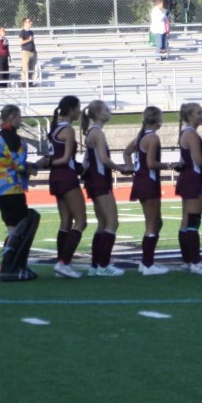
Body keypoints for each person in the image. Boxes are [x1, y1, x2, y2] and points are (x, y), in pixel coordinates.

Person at [0, 104, 50, 282]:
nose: (21, 120)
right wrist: (38, 164)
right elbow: (18, 165)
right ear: (13, 118)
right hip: (10, 189)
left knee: (12, 229)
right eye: (19, 117)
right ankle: (12, 268)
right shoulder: (12, 138)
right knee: (22, 227)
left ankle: (8, 266)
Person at [81, 99, 130, 276]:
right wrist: (121, 168)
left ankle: (95, 265)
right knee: (112, 222)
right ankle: (103, 265)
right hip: (100, 181)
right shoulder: (97, 133)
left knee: (102, 223)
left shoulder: (93, 132)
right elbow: (103, 159)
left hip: (95, 181)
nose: (109, 112)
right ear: (98, 113)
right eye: (106, 109)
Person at [123, 106, 170, 276]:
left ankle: (146, 262)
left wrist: (130, 166)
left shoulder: (141, 135)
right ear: (158, 120)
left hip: (142, 181)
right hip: (149, 181)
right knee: (152, 224)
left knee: (157, 222)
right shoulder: (152, 138)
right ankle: (148, 264)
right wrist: (169, 165)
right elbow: (151, 163)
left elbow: (127, 152)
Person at [47, 96, 86, 279]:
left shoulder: (54, 128)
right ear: (71, 110)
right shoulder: (68, 130)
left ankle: (60, 263)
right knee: (81, 221)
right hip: (66, 177)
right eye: (78, 108)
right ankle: (64, 263)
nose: (79, 111)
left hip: (55, 178)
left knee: (65, 221)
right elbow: (65, 159)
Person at [176, 102, 202, 273]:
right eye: (199, 112)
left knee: (186, 221)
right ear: (190, 116)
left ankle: (187, 261)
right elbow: (199, 160)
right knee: (193, 220)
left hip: (188, 178)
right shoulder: (191, 134)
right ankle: (195, 261)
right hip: (193, 178)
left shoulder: (186, 132)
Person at [19, 16, 37, 88]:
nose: (31, 23)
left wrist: (35, 51)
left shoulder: (31, 32)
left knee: (32, 68)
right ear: (25, 23)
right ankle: (24, 83)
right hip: (25, 52)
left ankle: (30, 82)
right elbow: (20, 42)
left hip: (32, 52)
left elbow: (33, 42)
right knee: (25, 68)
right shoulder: (22, 32)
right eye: (29, 22)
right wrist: (29, 40)